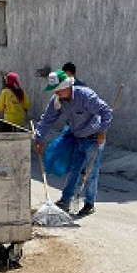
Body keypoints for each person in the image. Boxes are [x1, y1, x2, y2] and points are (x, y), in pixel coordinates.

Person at [33, 69, 112, 216]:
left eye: (58, 90)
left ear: (67, 86)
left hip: (94, 139)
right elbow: (47, 119)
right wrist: (39, 138)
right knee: (74, 170)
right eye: (54, 90)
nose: (56, 93)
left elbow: (106, 111)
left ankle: (89, 203)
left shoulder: (86, 96)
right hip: (77, 137)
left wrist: (102, 131)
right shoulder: (57, 101)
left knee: (90, 172)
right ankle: (65, 200)